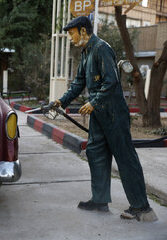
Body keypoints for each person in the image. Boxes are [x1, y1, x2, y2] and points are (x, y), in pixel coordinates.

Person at [54, 16, 156, 221]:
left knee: (125, 158)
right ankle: (100, 201)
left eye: (72, 33)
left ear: (83, 31)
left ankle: (142, 208)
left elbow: (111, 81)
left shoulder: (102, 48)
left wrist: (94, 102)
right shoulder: (86, 52)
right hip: (99, 116)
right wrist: (61, 102)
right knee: (95, 152)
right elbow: (78, 83)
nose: (71, 38)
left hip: (114, 114)